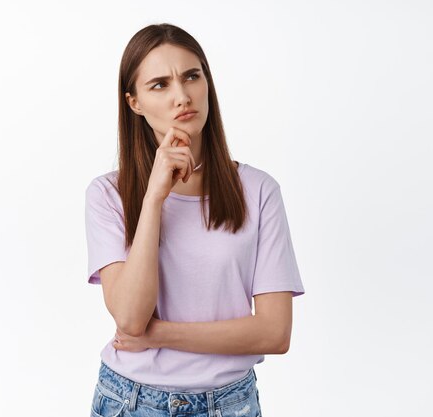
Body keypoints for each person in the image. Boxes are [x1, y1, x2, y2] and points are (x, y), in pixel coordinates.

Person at [84, 23, 305, 417]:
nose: (182, 96)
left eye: (191, 76)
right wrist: (154, 197)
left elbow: (275, 332)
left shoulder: (257, 190)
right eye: (159, 85)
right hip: (132, 402)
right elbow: (130, 317)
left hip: (231, 403)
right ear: (134, 103)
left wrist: (158, 334)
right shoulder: (107, 196)